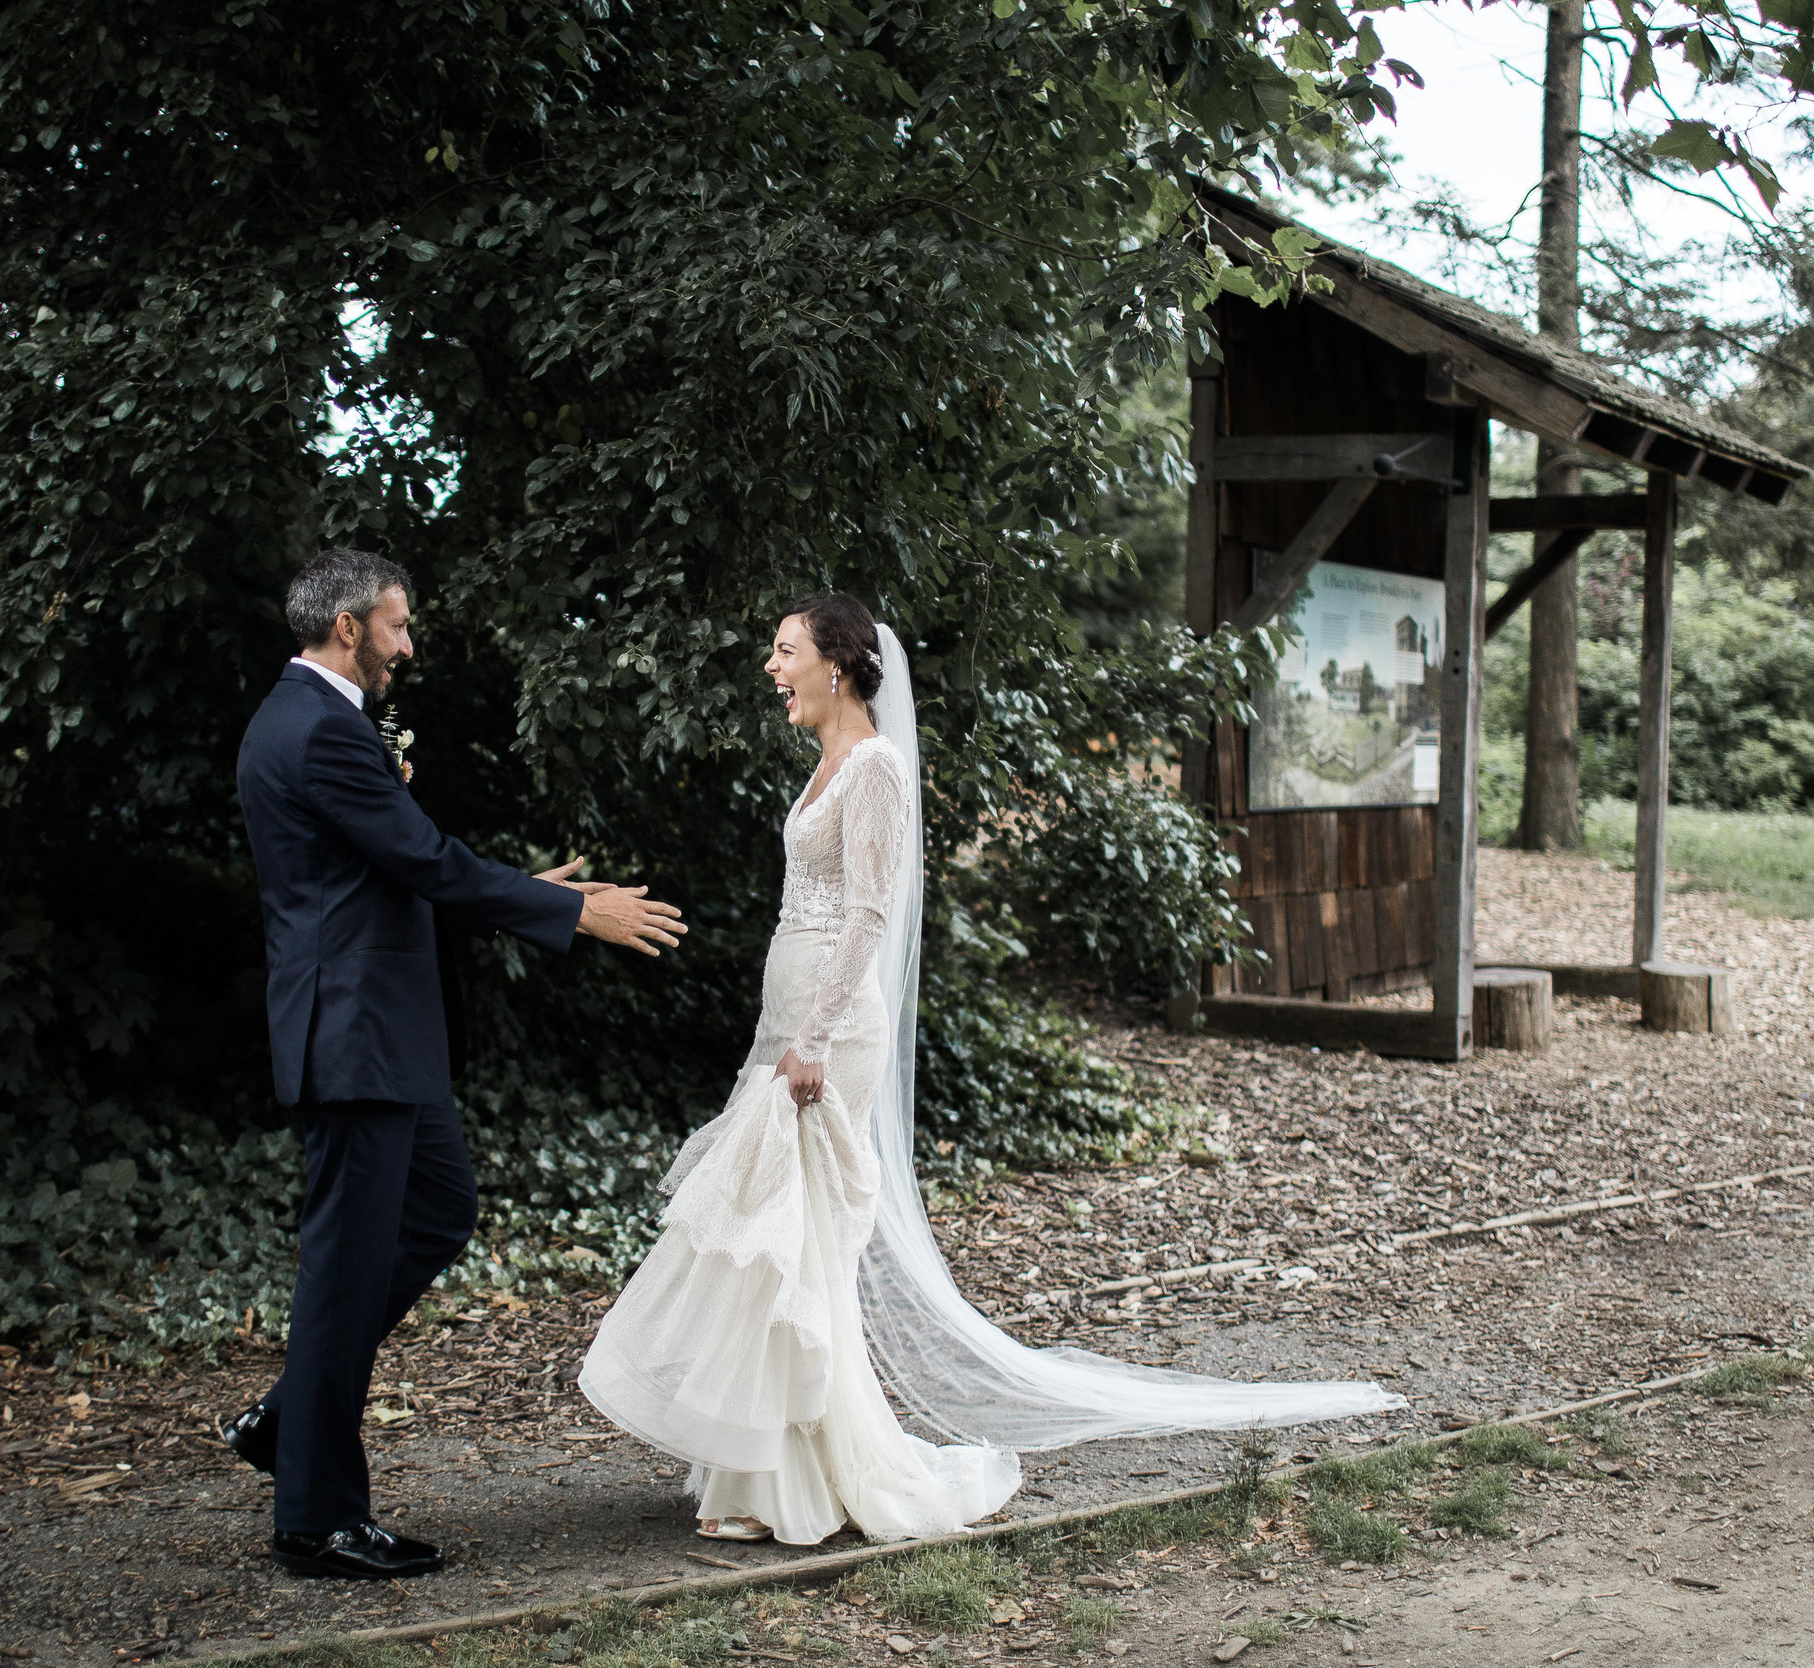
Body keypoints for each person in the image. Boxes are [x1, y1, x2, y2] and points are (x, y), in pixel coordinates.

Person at [578, 594, 1401, 1546]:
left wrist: (812, 1033)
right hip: (787, 1025)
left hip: (828, 1033)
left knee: (799, 1240)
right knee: (774, 1234)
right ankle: (768, 1472)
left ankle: (807, 1479)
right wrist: (785, 1027)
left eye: (784, 651)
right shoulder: (824, 765)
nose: (772, 667)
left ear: (836, 664)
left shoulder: (876, 768)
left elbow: (871, 919)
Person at [231, 548, 686, 1581]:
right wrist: (573, 910)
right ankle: (316, 1520)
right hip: (353, 1041)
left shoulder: (304, 722)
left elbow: (382, 871)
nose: (406, 645)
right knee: (345, 1275)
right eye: (397, 625)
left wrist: (519, 887)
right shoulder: (319, 729)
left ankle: (287, 1419)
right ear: (348, 626)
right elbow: (425, 862)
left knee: (439, 1210)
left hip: (379, 1037)